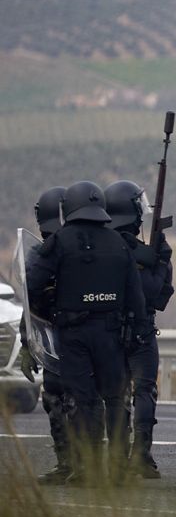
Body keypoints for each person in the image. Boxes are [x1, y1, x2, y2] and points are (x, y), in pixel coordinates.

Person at [25, 181, 146, 484]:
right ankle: (118, 469)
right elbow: (135, 297)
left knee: (83, 400)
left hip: (74, 335)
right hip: (111, 333)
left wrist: (49, 307)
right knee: (115, 400)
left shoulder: (60, 242)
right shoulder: (118, 243)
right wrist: (135, 335)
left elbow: (32, 285)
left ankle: (88, 469)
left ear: (69, 208)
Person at [104, 180, 174, 479]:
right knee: (144, 391)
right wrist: (162, 263)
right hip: (141, 332)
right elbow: (157, 295)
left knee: (115, 396)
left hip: (108, 333)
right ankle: (141, 456)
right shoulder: (140, 254)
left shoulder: (99, 250)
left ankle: (117, 458)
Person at [22, 186, 71, 484]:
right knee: (56, 398)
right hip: (56, 337)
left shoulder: (53, 254)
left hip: (69, 336)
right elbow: (31, 305)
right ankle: (69, 462)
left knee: (69, 400)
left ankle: (74, 462)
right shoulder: (42, 255)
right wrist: (29, 343)